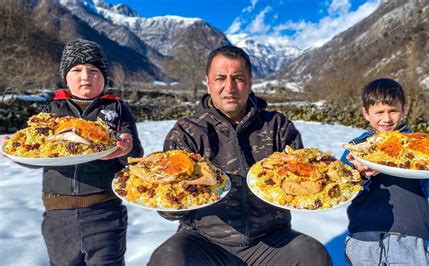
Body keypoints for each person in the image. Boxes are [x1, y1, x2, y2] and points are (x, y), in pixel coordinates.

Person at [147, 45, 332, 265]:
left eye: (238, 78)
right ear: (208, 82)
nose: (229, 87)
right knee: (167, 259)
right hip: (204, 240)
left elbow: (308, 179)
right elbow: (165, 208)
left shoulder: (277, 126)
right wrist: (176, 197)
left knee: (313, 255)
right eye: (220, 78)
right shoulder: (187, 131)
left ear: (250, 82)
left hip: (271, 241)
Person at [3, 39, 144, 265]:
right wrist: (14, 150)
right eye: (77, 70)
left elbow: (135, 154)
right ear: (66, 77)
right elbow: (36, 153)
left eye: (94, 71)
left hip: (105, 210)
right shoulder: (52, 110)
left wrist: (126, 148)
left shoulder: (115, 109)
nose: (86, 76)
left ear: (105, 77)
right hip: (58, 212)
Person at [340, 78, 429, 265]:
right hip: (364, 234)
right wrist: (358, 173)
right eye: (379, 112)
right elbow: (339, 185)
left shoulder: (420, 146)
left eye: (393, 110)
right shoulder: (357, 149)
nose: (386, 119)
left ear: (404, 109)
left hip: (410, 236)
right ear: (365, 113)